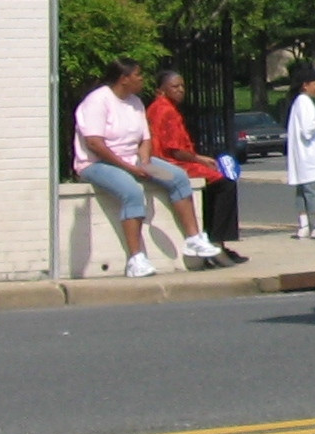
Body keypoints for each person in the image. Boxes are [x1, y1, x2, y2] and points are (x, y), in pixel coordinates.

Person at [73, 59, 224, 276]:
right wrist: (129, 168)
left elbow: (145, 139)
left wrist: (143, 163)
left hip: (133, 159)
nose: (142, 79)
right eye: (138, 75)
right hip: (98, 163)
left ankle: (194, 239)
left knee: (178, 177)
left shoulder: (135, 102)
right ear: (124, 79)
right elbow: (95, 144)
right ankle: (136, 259)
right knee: (131, 191)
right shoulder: (97, 101)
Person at [146, 70, 245, 264]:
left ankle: (212, 237)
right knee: (224, 183)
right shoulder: (166, 110)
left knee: (214, 183)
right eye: (175, 87)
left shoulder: (158, 108)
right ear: (161, 90)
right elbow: (174, 150)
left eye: (182, 86)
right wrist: (199, 159)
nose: (180, 90)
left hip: (165, 162)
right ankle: (217, 242)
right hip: (170, 163)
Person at [284, 65, 315, 239]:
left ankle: (304, 225)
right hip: (311, 159)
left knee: (303, 193)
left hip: (303, 160)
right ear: (305, 85)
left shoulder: (298, 102)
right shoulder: (304, 102)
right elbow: (307, 129)